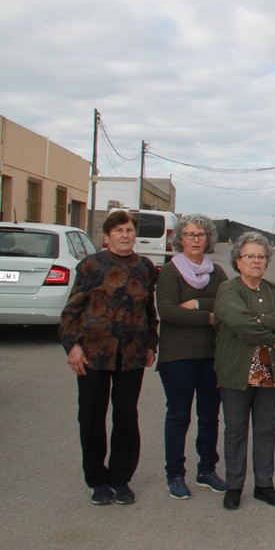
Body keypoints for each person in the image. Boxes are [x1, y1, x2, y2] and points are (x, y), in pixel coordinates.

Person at [60, 210, 158, 506]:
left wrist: (152, 343)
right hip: (93, 355)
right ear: (107, 236)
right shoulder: (91, 266)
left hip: (131, 355)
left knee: (126, 416)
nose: (125, 235)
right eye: (118, 231)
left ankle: (120, 478)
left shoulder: (145, 267)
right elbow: (71, 311)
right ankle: (97, 479)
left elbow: (149, 311)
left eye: (129, 230)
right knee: (91, 416)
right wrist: (73, 347)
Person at [214, 232, 275, 510]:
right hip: (236, 374)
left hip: (269, 374)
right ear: (238, 261)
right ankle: (234, 485)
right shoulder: (229, 290)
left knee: (265, 431)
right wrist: (272, 335)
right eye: (249, 256)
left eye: (261, 257)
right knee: (235, 431)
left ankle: (264, 484)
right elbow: (238, 322)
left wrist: (258, 321)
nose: (256, 261)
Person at [155, 213, 229, 500]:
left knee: (210, 416)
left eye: (201, 235)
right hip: (178, 357)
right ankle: (175, 474)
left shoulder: (217, 272)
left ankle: (206, 469)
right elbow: (169, 312)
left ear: (208, 239)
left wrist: (198, 304)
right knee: (178, 417)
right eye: (190, 235)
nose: (196, 240)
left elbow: (228, 301)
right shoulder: (170, 272)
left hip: (212, 355)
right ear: (179, 239)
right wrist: (209, 317)